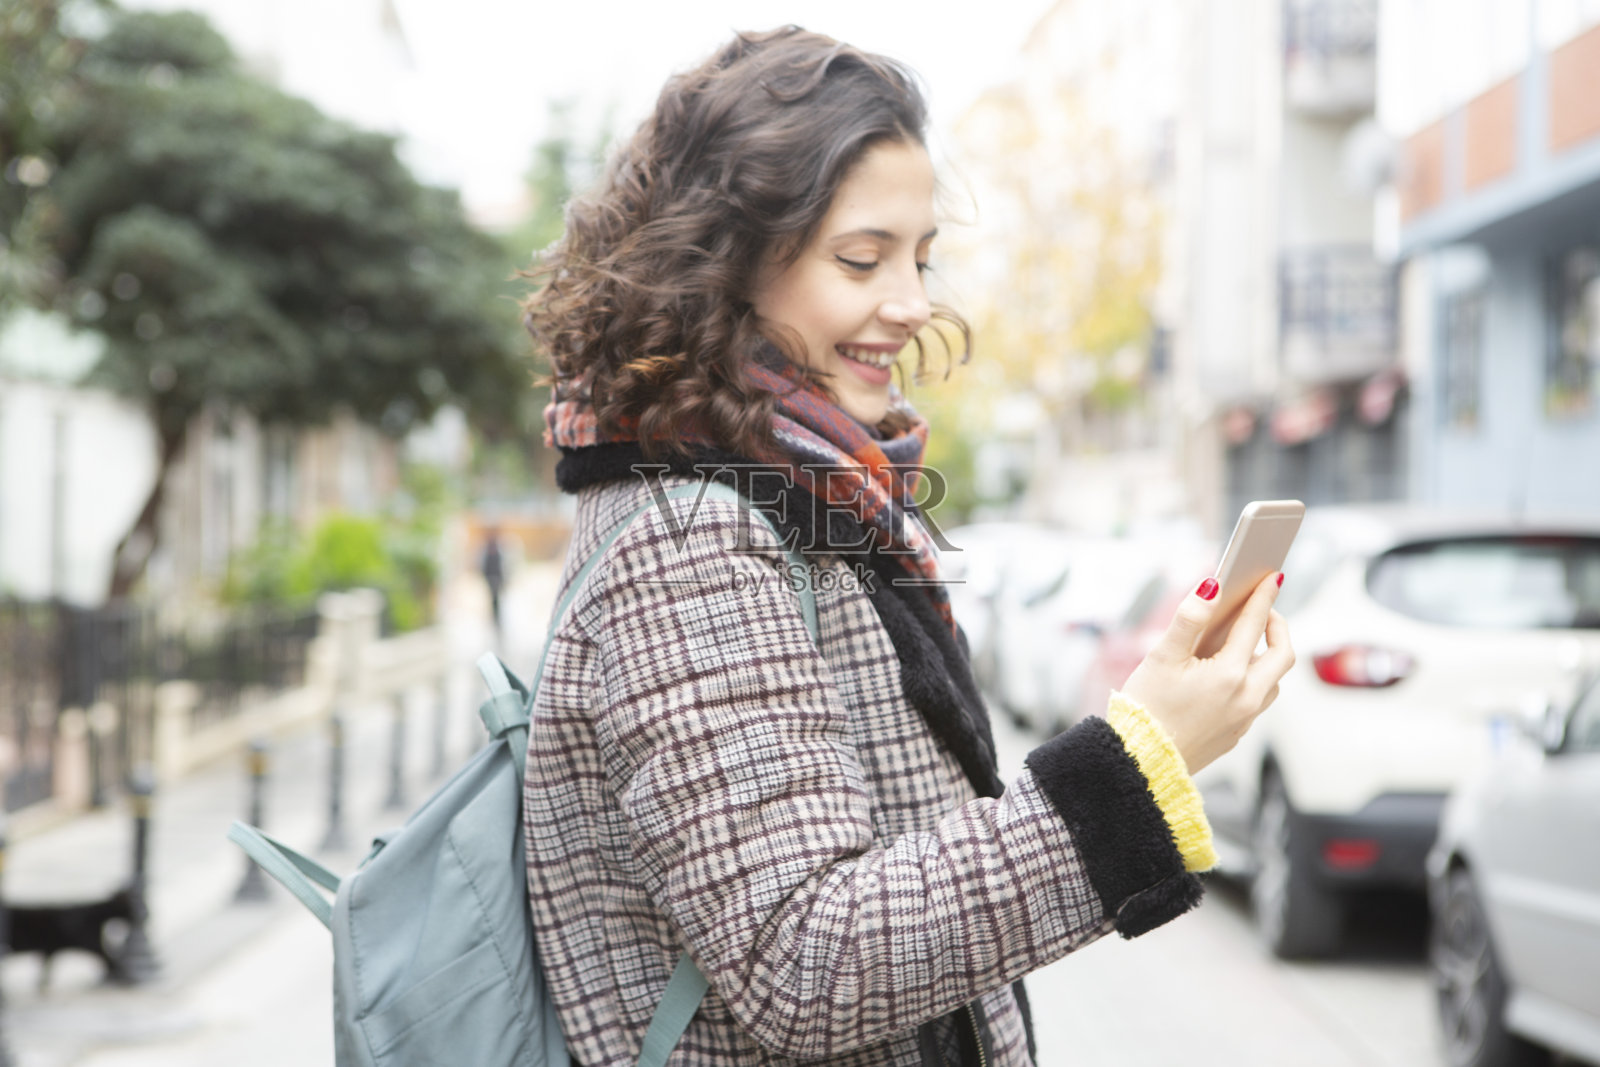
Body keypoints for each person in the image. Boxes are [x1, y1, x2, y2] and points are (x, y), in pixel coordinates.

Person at [519, 27, 1294, 1067]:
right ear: (723, 263)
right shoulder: (688, 535)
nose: (913, 303)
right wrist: (1136, 762)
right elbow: (805, 960)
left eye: (920, 257)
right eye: (861, 258)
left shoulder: (797, 490)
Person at [480, 525, 506, 633]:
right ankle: (494, 619)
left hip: (496, 578)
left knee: (496, 600)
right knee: (493, 600)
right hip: (491, 578)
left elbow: (501, 566)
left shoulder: (498, 550)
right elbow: (484, 566)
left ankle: (497, 619)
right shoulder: (487, 550)